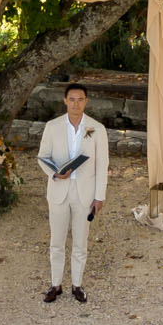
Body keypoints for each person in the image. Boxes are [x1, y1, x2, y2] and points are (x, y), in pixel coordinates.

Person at [37, 79, 109, 304]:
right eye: (72, 100)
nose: (76, 104)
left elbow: (102, 164)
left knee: (80, 241)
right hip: (59, 190)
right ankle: (55, 284)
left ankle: (77, 284)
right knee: (57, 241)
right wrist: (56, 174)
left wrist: (99, 196)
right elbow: (42, 156)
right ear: (65, 101)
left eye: (80, 100)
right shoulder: (53, 126)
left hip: (84, 193)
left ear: (86, 101)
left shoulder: (97, 128)